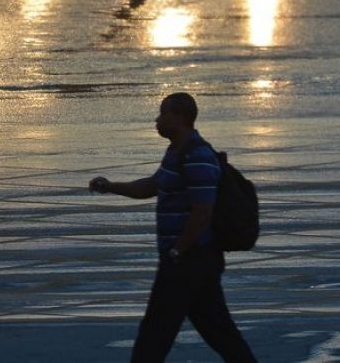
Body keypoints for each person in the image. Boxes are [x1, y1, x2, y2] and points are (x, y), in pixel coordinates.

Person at [88, 92, 257, 363]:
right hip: (191, 260)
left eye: (162, 113)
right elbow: (151, 186)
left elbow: (202, 212)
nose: (157, 120)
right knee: (219, 332)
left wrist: (178, 250)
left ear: (179, 117)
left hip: (190, 260)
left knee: (155, 333)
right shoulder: (177, 152)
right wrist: (110, 187)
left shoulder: (197, 156)